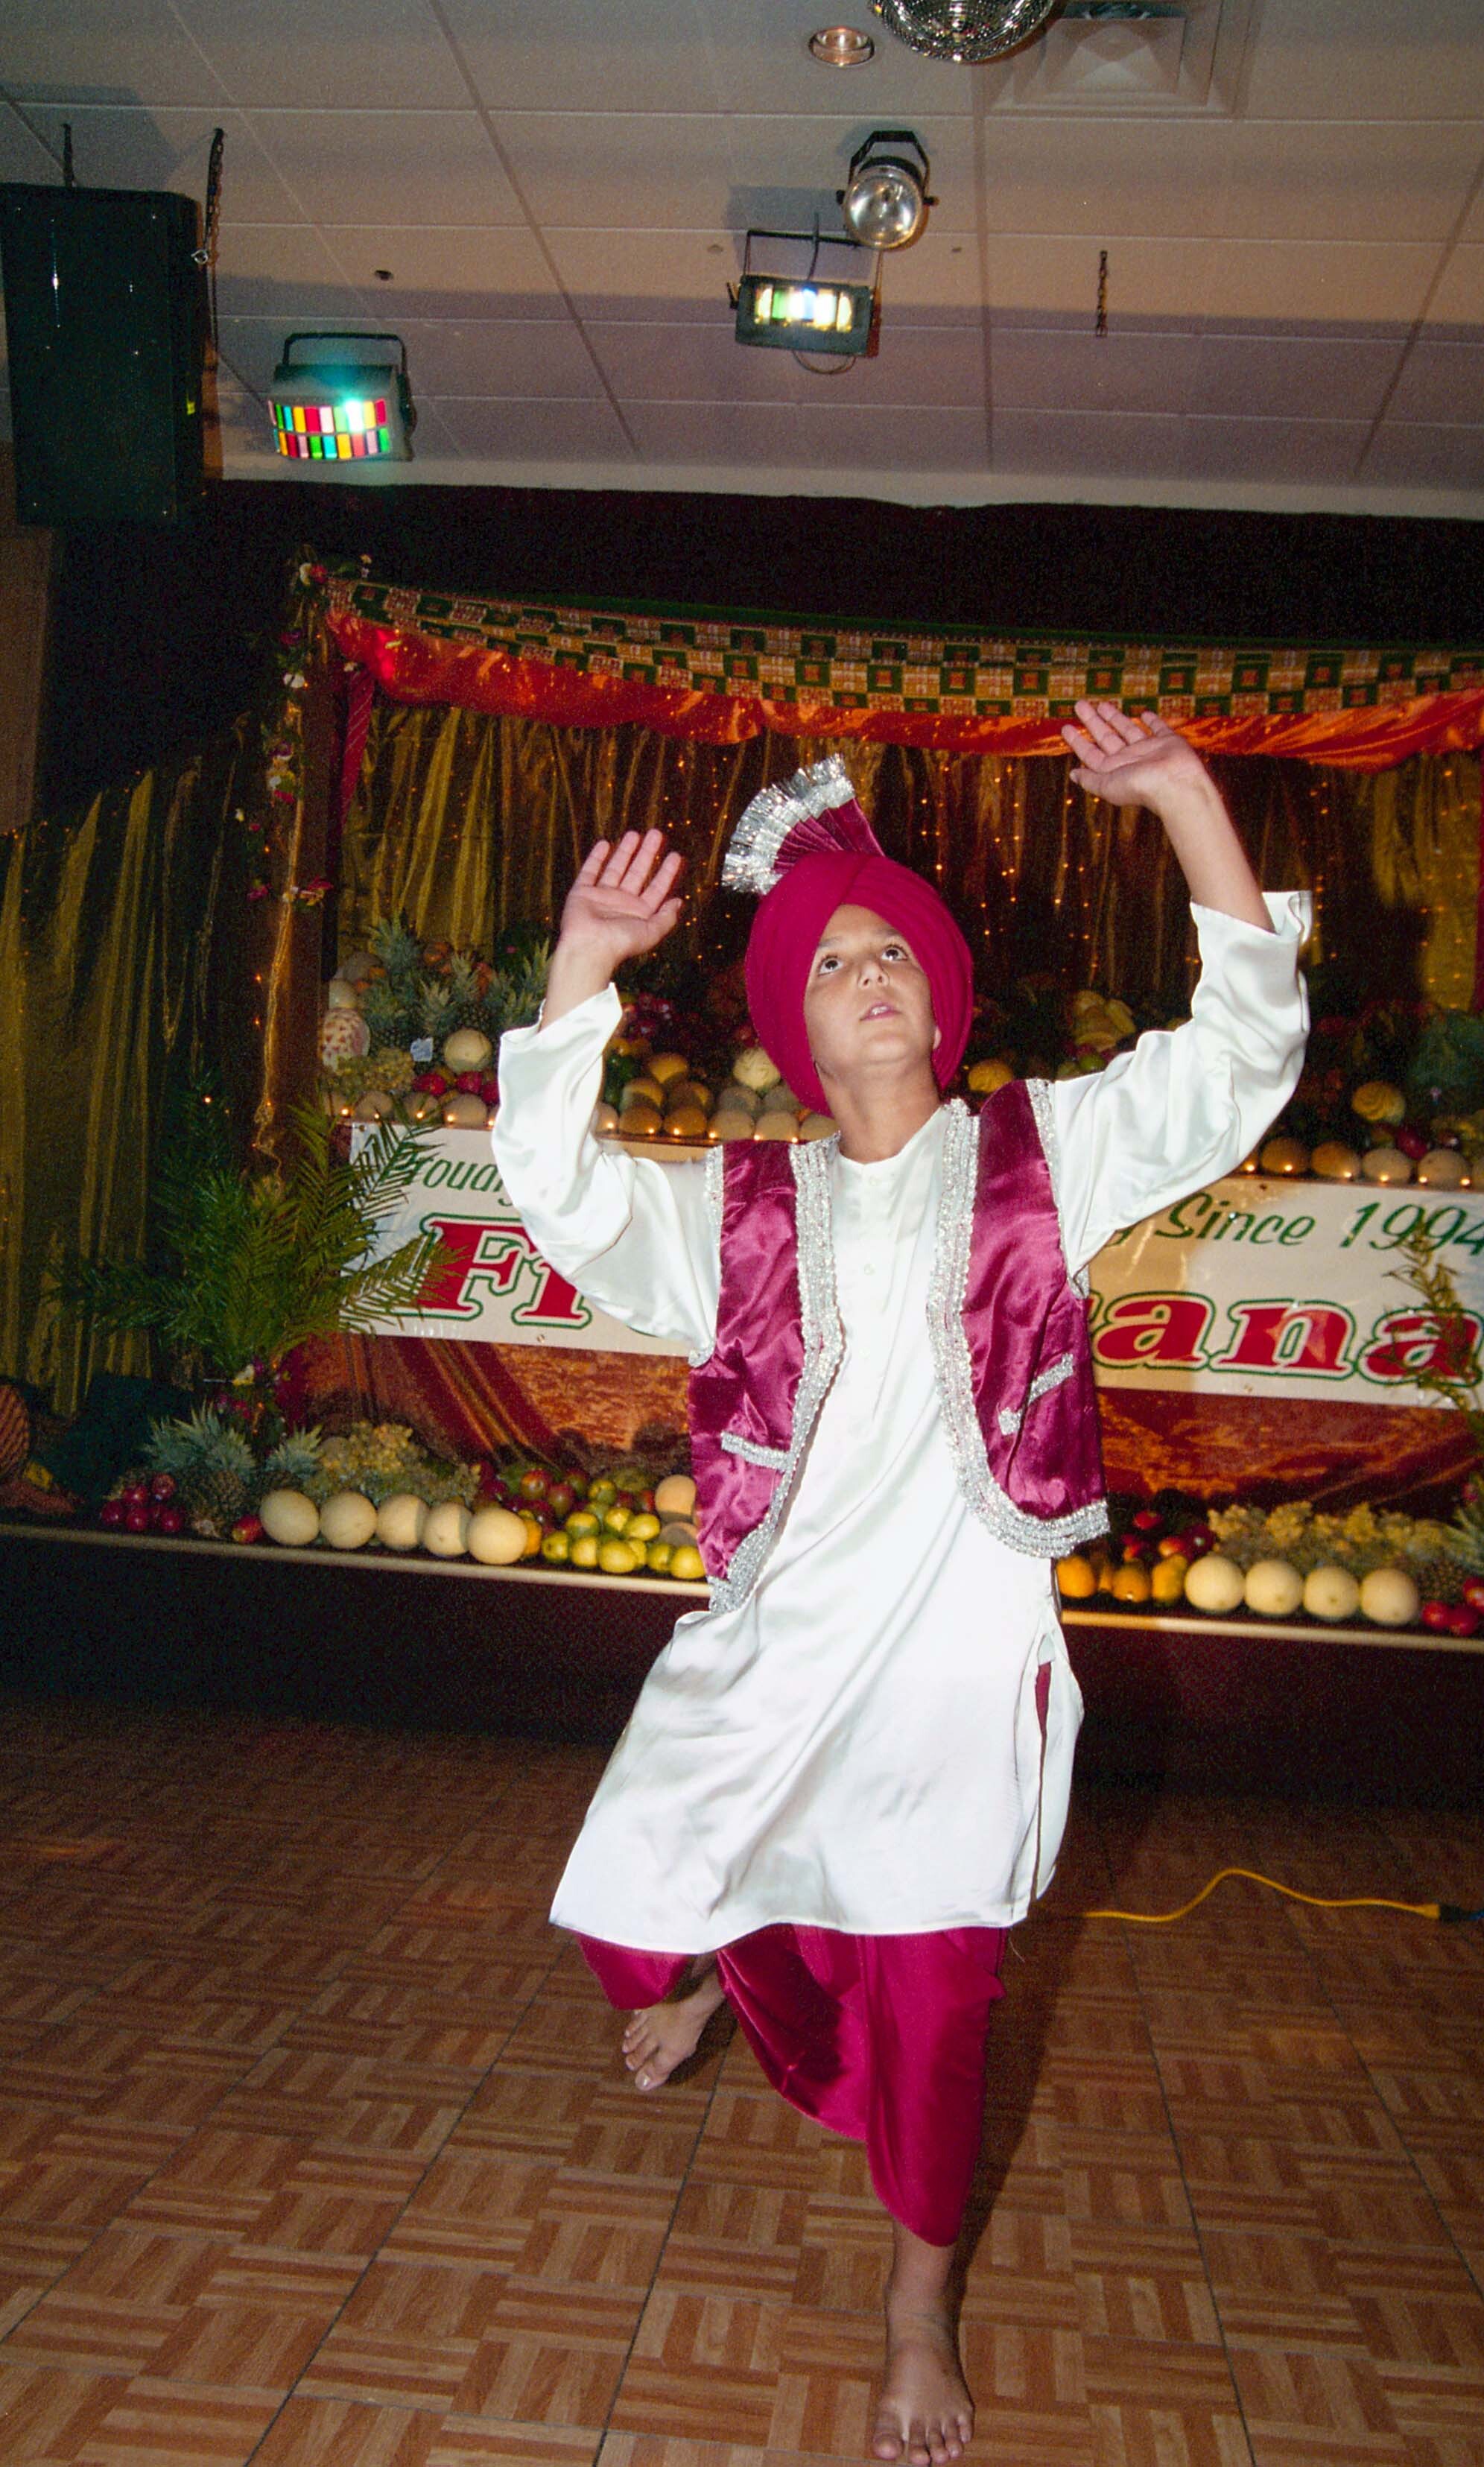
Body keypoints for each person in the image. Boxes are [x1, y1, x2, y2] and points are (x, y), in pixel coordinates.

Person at [492, 701, 1308, 2467]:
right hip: (772, 1658)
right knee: (628, 1927)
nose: (864, 976)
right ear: (791, 1025)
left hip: (955, 1666)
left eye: (890, 954)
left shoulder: (1045, 1157)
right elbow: (556, 1188)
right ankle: (713, 1975)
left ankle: (916, 2306)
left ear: (939, 1000)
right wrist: (581, 969)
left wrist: (1184, 800)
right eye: (828, 961)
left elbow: (1244, 1051)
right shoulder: (737, 1210)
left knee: (936, 2013)